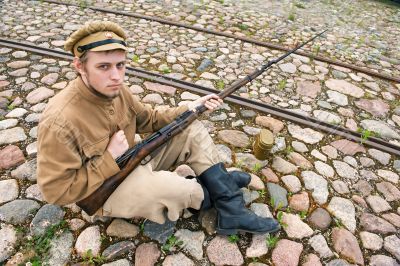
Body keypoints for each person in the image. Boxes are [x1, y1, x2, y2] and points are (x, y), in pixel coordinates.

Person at [37, 21, 280, 235]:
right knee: (176, 188)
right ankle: (215, 187)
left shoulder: (117, 90)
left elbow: (150, 120)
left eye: (120, 65)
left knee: (190, 129)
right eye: (104, 67)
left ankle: (230, 207)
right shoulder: (59, 120)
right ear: (80, 67)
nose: (116, 76)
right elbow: (56, 191)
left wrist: (191, 107)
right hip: (102, 192)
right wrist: (109, 158)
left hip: (133, 161)